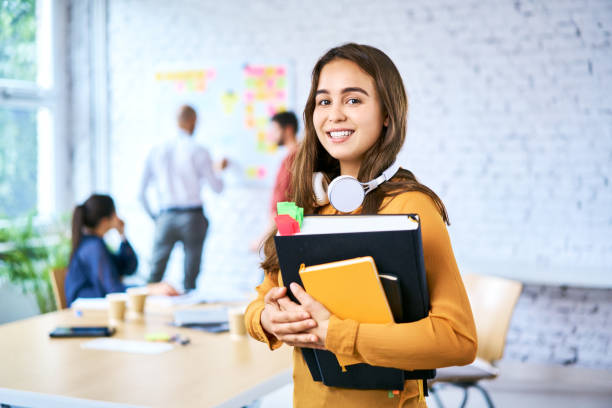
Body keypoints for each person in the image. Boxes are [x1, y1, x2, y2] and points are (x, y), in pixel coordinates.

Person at [244, 43, 477, 407]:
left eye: (353, 100)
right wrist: (267, 320)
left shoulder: (411, 206)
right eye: (324, 101)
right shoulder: (301, 205)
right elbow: (260, 301)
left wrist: (336, 333)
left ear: (387, 113)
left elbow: (458, 340)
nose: (334, 115)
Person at [139, 105, 227, 291]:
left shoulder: (157, 150)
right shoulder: (199, 150)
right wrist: (219, 170)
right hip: (193, 217)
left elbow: (140, 194)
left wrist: (157, 218)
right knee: (190, 279)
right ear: (192, 121)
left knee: (154, 276)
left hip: (166, 215)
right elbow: (217, 188)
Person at [65, 194, 179, 307]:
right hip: (87, 315)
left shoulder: (95, 244)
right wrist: (149, 289)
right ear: (105, 221)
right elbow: (113, 289)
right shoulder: (92, 247)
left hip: (97, 310)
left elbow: (129, 268)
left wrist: (122, 235)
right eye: (115, 213)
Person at [250, 111, 300, 251]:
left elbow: (287, 205)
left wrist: (264, 238)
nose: (271, 134)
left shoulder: (294, 159)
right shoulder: (292, 157)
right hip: (286, 231)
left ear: (288, 130)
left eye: (275, 129)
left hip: (287, 232)